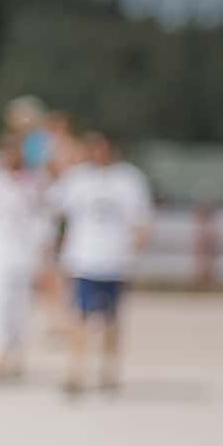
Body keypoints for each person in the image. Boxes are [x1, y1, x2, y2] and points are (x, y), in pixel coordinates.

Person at [52, 127, 152, 397]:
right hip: (84, 258)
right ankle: (75, 371)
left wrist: (135, 249)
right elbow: (53, 206)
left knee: (111, 320)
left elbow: (142, 220)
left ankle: (108, 372)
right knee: (79, 319)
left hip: (115, 260)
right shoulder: (77, 178)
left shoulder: (129, 179)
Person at [0, 124, 50, 380]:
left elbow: (41, 220)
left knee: (18, 307)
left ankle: (13, 356)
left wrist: (42, 254)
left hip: (22, 253)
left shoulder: (34, 181)